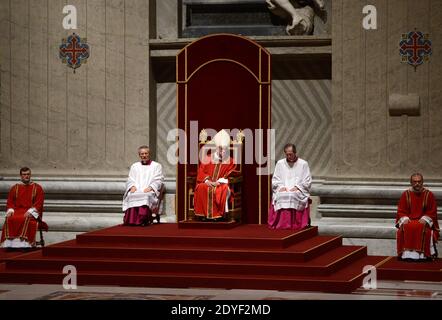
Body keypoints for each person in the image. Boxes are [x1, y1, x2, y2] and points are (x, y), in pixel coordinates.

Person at [193, 129, 237, 221]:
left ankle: (219, 216)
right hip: (208, 182)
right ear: (216, 148)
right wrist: (207, 181)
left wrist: (219, 182)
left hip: (221, 184)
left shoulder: (231, 160)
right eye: (221, 149)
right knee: (201, 187)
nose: (223, 152)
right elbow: (201, 171)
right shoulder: (207, 158)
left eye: (225, 150)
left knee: (221, 189)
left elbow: (231, 174)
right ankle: (204, 215)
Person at [396, 173, 439, 261]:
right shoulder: (406, 194)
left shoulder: (429, 194)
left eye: (419, 181)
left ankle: (422, 255)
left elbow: (432, 211)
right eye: (414, 182)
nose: (417, 184)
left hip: (422, 221)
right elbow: (401, 210)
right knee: (407, 226)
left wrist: (425, 218)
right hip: (409, 220)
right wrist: (404, 218)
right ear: (411, 182)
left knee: (420, 226)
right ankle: (407, 255)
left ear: (422, 182)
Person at [268, 143, 312, 230]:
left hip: (298, 189)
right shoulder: (280, 163)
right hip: (283, 188)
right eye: (287, 154)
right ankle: (281, 224)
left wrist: (298, 187)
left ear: (295, 152)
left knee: (292, 195)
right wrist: (280, 187)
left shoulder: (303, 164)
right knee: (282, 195)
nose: (289, 156)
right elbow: (275, 179)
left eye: (290, 154)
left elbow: (307, 180)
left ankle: (295, 224)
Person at [1, 167, 45, 249]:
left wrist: (31, 211)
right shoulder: (15, 188)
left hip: (31, 211)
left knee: (25, 218)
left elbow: (39, 203)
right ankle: (11, 245)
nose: (26, 176)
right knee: (9, 218)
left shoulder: (37, 188)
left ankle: (25, 244)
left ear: (30, 175)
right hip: (17, 211)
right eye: (24, 174)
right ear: (21, 176)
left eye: (28, 174)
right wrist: (10, 210)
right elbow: (10, 201)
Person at [122, 146, 164, 226]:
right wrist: (132, 186)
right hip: (137, 189)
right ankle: (132, 220)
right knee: (131, 195)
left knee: (146, 196)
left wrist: (151, 187)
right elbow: (130, 179)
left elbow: (159, 179)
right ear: (139, 155)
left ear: (149, 154)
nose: (144, 155)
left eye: (146, 153)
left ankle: (143, 220)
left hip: (149, 190)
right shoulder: (135, 166)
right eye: (142, 154)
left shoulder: (156, 166)